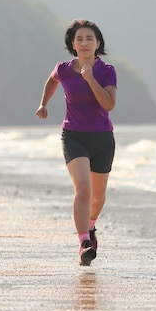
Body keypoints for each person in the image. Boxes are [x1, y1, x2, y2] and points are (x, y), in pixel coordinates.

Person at [36, 19, 117, 266]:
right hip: (73, 136)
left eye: (89, 39)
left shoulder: (107, 70)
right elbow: (52, 80)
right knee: (83, 188)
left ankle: (90, 226)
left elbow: (109, 104)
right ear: (72, 44)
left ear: (98, 44)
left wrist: (90, 78)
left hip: (102, 138)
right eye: (79, 39)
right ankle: (83, 242)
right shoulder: (63, 69)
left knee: (98, 197)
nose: (84, 43)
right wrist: (43, 103)